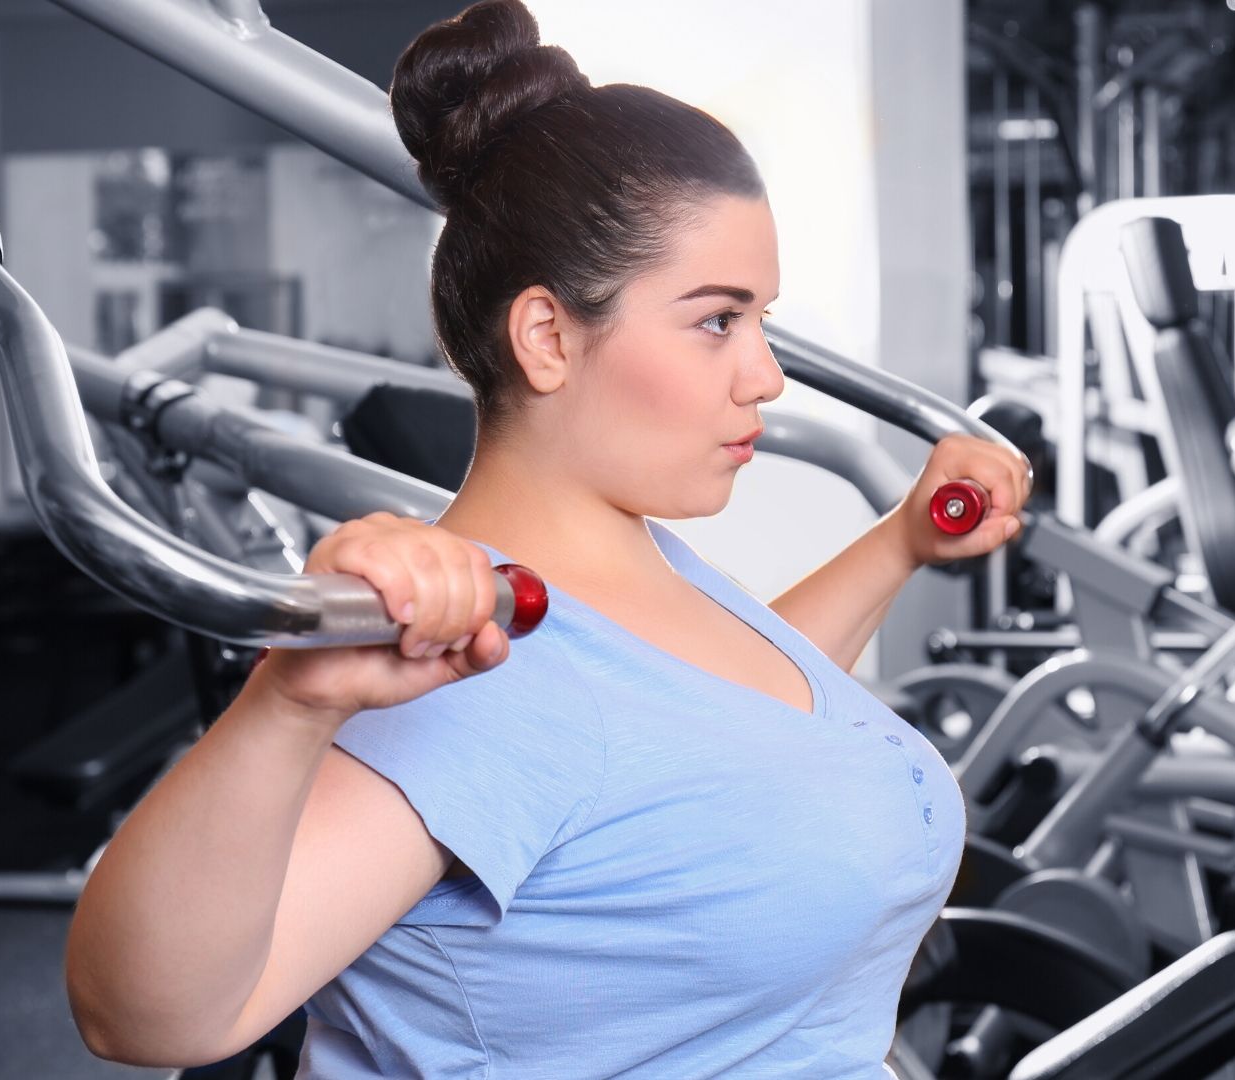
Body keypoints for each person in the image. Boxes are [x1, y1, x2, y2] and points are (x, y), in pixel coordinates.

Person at [64, 2, 1032, 1076]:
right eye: (719, 320)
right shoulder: (476, 680)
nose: (766, 375)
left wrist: (897, 544)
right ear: (547, 337)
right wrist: (288, 703)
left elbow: (718, 739)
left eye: (762, 321)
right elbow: (147, 1019)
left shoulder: (630, 574)